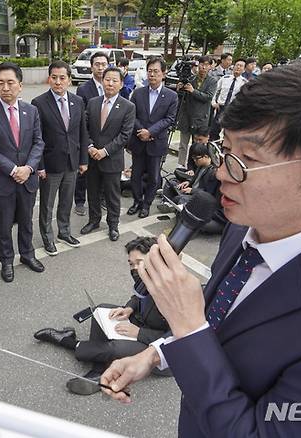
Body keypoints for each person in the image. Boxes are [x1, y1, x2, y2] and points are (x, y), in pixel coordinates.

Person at [100, 62, 301, 437]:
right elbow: (224, 325)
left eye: (248, 161)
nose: (223, 174)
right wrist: (157, 353)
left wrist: (188, 325)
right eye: (225, 151)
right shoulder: (245, 223)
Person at [33, 236, 170, 395]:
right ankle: (99, 369)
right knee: (101, 310)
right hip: (141, 324)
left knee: (115, 348)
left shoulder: (173, 290)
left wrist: (139, 333)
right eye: (131, 264)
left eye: (139, 262)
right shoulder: (148, 277)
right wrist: (129, 308)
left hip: (160, 351)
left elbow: (178, 338)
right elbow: (138, 296)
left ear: (155, 259)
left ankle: (67, 341)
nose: (134, 268)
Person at [0, 62, 45, 283]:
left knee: (26, 221)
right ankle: (6, 260)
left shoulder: (31, 110)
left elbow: (38, 143)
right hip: (3, 180)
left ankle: (27, 254)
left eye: (10, 82)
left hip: (28, 179)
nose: (5, 87)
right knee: (4, 224)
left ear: (20, 85)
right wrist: (14, 169)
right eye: (0, 83)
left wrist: (28, 168)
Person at [32, 61, 90, 256]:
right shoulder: (39, 103)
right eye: (54, 78)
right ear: (49, 79)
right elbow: (37, 138)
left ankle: (64, 232)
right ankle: (48, 237)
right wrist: (39, 166)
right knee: (47, 204)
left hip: (72, 162)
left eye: (62, 78)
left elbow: (82, 133)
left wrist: (83, 160)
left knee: (66, 201)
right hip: (50, 164)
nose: (58, 82)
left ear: (69, 79)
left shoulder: (78, 101)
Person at [80, 67, 136, 242]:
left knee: (112, 196)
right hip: (92, 157)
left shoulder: (128, 106)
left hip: (112, 159)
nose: (110, 83)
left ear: (121, 84)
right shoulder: (93, 102)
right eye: (107, 79)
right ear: (102, 81)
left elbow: (125, 135)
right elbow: (85, 128)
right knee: (93, 192)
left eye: (114, 80)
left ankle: (113, 225)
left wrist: (104, 151)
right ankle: (94, 220)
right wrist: (89, 147)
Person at [127, 57, 178, 218]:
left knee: (154, 177)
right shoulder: (138, 92)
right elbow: (132, 115)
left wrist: (150, 132)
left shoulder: (171, 95)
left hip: (156, 142)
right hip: (138, 140)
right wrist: (142, 130)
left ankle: (147, 204)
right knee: (135, 175)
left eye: (156, 71)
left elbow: (169, 119)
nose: (152, 75)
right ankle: (137, 201)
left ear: (164, 73)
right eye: (150, 71)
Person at [157, 142, 226, 234]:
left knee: (181, 199)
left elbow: (208, 194)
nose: (195, 161)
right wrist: (188, 182)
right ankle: (168, 203)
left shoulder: (213, 172)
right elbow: (195, 180)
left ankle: (182, 224)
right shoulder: (200, 167)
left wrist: (192, 190)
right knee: (172, 183)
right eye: (193, 159)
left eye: (196, 159)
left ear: (205, 156)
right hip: (192, 191)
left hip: (199, 197)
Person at [74, 51, 109, 217]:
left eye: (103, 64)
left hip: (107, 138)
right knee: (83, 172)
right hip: (88, 137)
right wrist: (87, 142)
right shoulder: (83, 89)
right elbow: (82, 118)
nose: (100, 67)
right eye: (97, 64)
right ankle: (80, 201)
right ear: (91, 67)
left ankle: (101, 198)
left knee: (103, 171)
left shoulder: (112, 85)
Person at [176, 56, 218, 169]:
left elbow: (208, 97)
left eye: (206, 64)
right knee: (183, 144)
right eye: (201, 64)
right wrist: (180, 89)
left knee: (198, 145)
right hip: (187, 116)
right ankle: (181, 165)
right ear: (197, 65)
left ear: (210, 66)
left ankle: (196, 167)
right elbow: (183, 98)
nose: (203, 67)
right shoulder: (191, 79)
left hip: (200, 118)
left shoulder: (212, 81)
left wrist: (193, 91)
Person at [209, 59, 247, 141]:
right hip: (220, 107)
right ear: (233, 66)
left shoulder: (244, 83)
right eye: (237, 65)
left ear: (244, 70)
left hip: (233, 109)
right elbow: (215, 91)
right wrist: (214, 102)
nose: (238, 67)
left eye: (241, 66)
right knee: (214, 131)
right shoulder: (225, 78)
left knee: (228, 133)